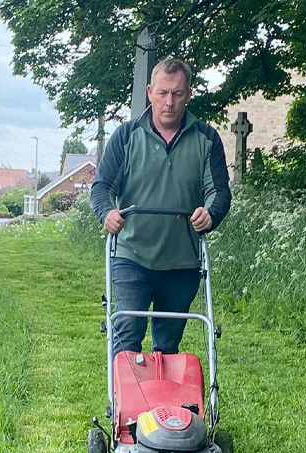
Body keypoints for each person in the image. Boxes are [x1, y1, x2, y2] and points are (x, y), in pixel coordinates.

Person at [91, 57, 232, 356]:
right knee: (128, 331)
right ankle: (125, 403)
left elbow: (219, 192)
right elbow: (102, 187)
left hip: (182, 261)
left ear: (188, 95)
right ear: (149, 92)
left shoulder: (207, 139)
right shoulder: (126, 136)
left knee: (167, 347)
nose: (169, 102)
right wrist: (107, 213)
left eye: (177, 94)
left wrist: (210, 213)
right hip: (131, 255)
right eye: (163, 93)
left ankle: (164, 404)